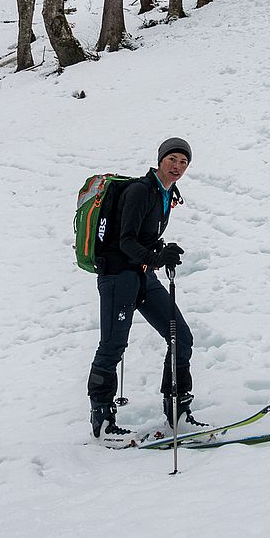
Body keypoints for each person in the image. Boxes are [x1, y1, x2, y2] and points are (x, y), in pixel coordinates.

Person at [87, 137, 204, 444]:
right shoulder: (141, 191)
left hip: (141, 275)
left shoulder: (167, 194)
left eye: (183, 162)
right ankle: (102, 423)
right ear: (160, 159)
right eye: (173, 160)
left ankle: (178, 411)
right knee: (112, 346)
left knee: (181, 336)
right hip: (118, 275)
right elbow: (125, 241)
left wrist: (162, 249)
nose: (177, 167)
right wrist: (154, 258)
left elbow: (143, 236)